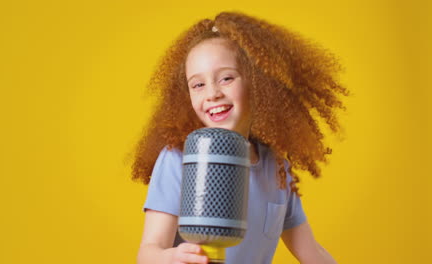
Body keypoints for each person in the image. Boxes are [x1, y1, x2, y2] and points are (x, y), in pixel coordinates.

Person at [132, 11, 348, 264]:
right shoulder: (179, 158)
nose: (212, 93)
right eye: (198, 84)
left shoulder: (276, 168)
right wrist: (171, 258)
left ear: (257, 82)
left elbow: (312, 253)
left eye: (226, 78)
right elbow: (149, 252)